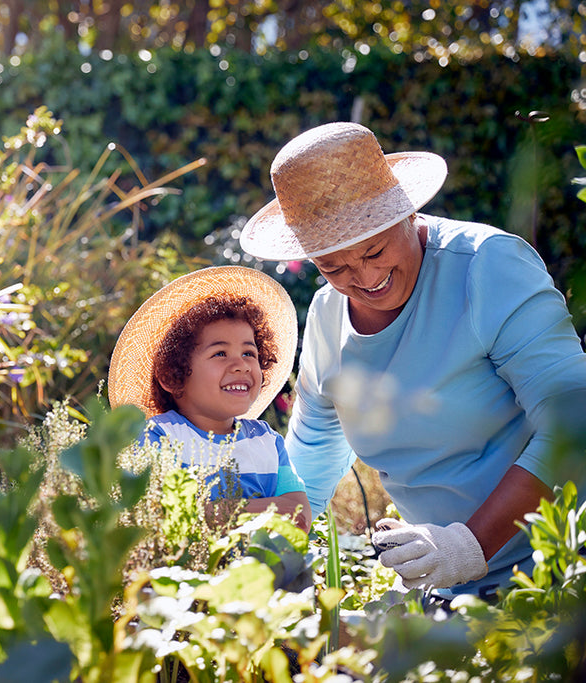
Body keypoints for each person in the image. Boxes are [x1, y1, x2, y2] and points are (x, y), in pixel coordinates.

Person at [238, 121, 586, 599]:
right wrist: (276, 550)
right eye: (333, 267)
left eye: (375, 250)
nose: (365, 277)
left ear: (405, 210)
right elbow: (315, 448)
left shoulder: (486, 267)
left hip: (562, 565)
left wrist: (467, 545)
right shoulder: (326, 316)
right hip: (449, 584)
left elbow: (573, 421)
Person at [108, 266, 312, 531]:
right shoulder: (157, 438)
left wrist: (214, 511)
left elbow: (299, 516)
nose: (241, 365)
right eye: (220, 354)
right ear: (173, 376)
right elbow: (161, 516)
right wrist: (267, 510)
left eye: (250, 353)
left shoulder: (267, 441)